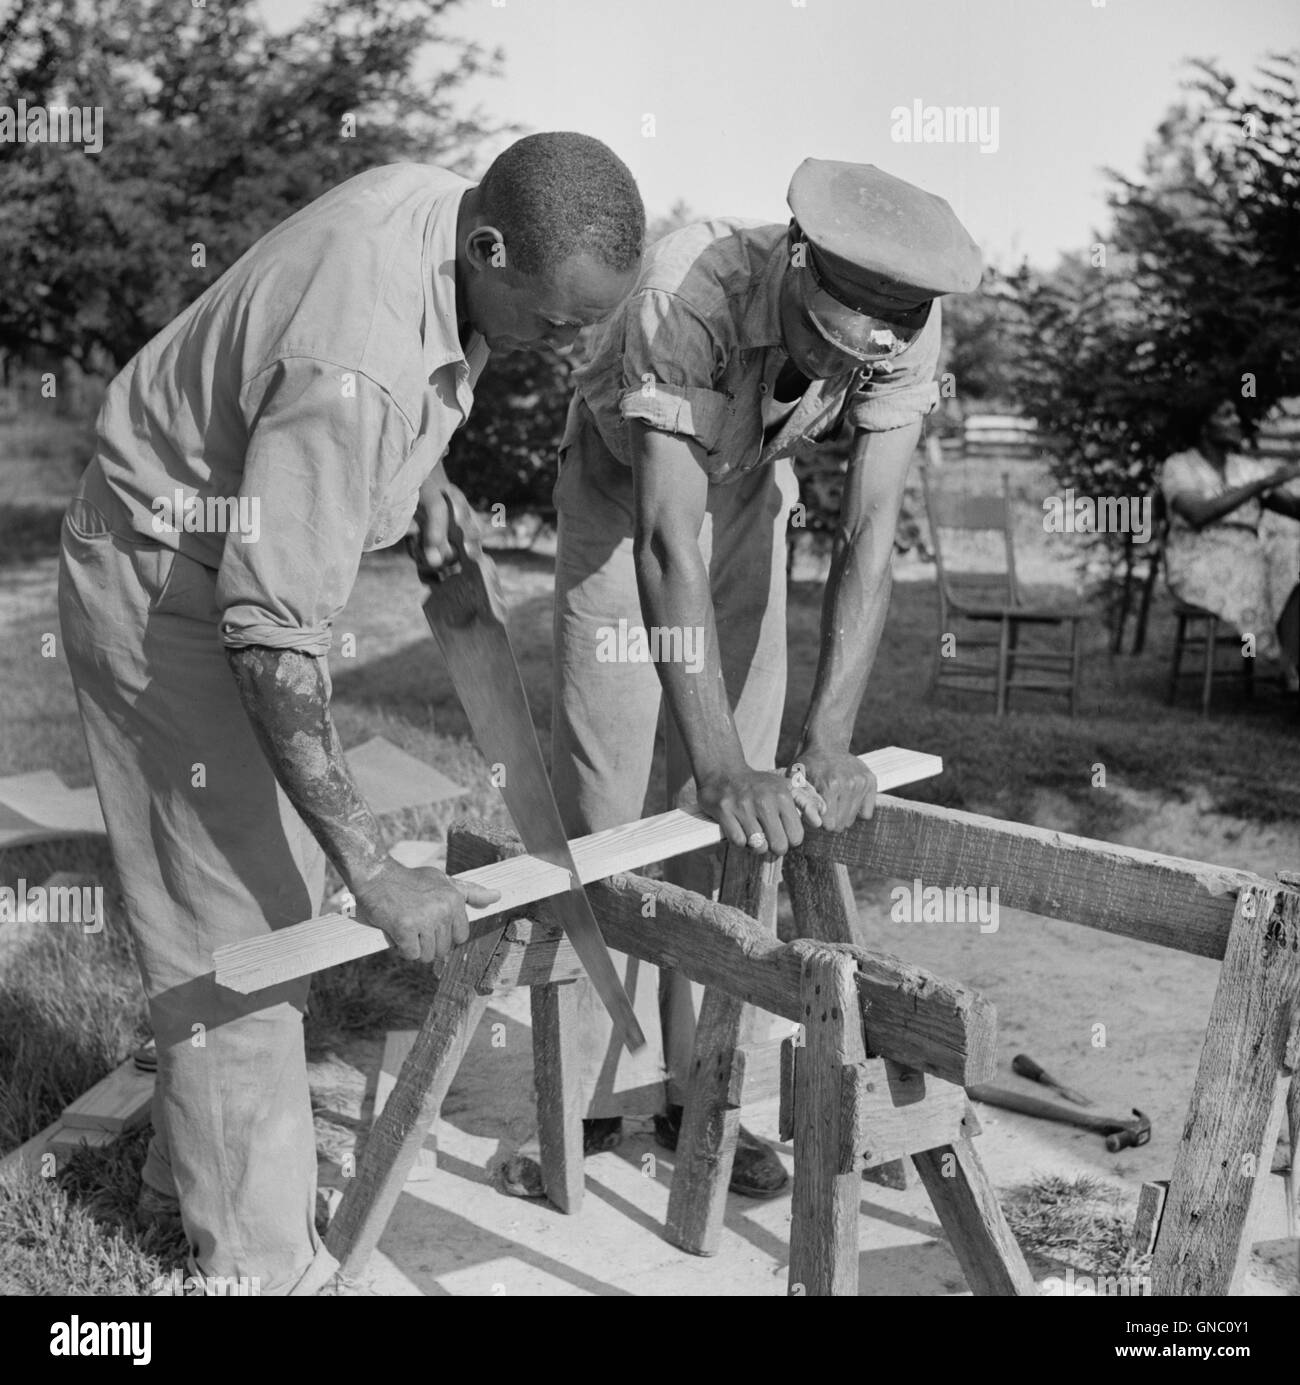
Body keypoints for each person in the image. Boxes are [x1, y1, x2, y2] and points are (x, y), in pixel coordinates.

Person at [57, 132, 644, 1294]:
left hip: (218, 548)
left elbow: (370, 368)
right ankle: (261, 1271)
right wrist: (377, 865)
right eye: (559, 317)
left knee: (267, 892)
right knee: (241, 929)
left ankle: (197, 1175)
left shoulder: (444, 211)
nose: (569, 345)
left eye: (590, 323)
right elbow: (270, 631)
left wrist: (416, 476)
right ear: (490, 245)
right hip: (164, 582)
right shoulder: (360, 362)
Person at [513, 160, 982, 1198]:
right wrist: (717, 760)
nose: (841, 364)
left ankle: (704, 1094)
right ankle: (597, 1096)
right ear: (796, 262)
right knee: (612, 798)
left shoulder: (908, 322)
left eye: (870, 352)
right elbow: (662, 539)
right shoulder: (693, 286)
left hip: (749, 494)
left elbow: (867, 537)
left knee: (746, 821)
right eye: (823, 337)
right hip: (623, 503)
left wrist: (826, 741)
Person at [1161, 400, 1300, 685]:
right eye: (1226, 415)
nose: (1237, 420)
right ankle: (1283, 666)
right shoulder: (1179, 466)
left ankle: (1289, 661)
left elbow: (1293, 508)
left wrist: (1281, 480)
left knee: (1292, 556)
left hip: (1248, 552)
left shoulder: (1247, 468)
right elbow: (1198, 514)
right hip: (1197, 557)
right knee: (1258, 572)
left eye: (1236, 414)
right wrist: (1261, 485)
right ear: (1203, 427)